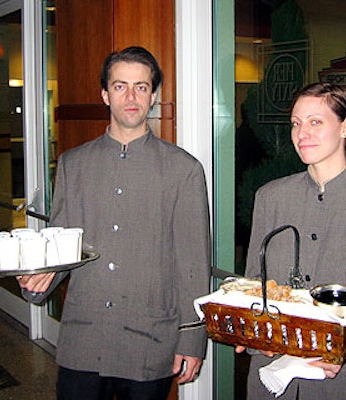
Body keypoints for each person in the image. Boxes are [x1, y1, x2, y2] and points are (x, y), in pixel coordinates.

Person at [17, 46, 211, 400]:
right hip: (83, 339)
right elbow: (62, 245)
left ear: (153, 96)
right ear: (105, 94)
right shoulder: (73, 164)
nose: (131, 96)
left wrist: (192, 337)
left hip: (149, 342)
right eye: (120, 86)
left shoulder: (184, 170)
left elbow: (193, 265)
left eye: (141, 86)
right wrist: (38, 278)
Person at [237, 82, 346, 399]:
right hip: (274, 380)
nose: (302, 133)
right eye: (296, 123)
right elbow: (256, 285)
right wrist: (255, 333)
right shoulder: (270, 197)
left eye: (315, 121)